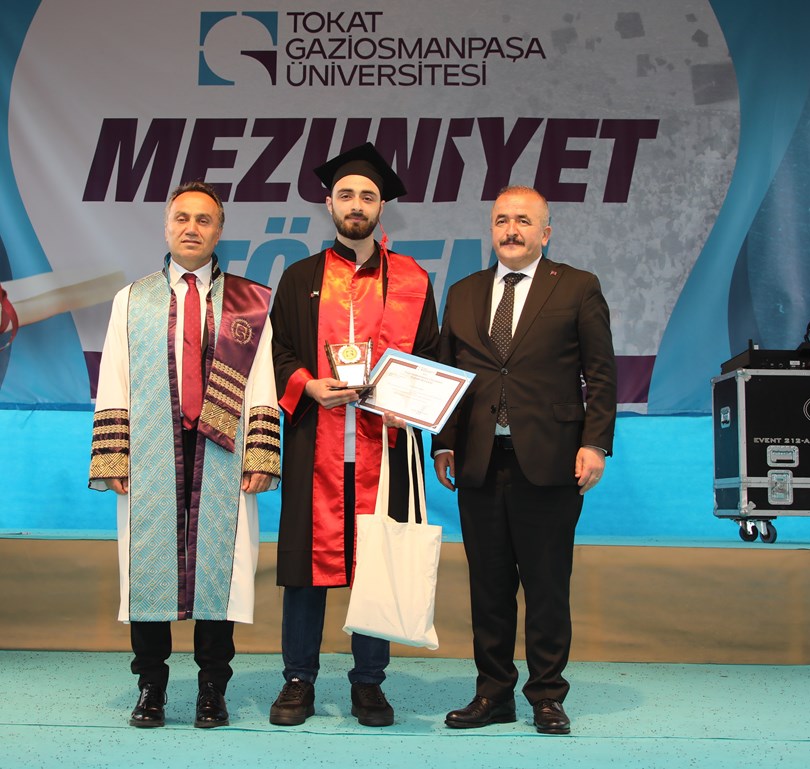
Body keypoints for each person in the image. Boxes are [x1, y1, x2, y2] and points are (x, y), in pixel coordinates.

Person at [88, 181, 280, 729]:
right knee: (147, 565)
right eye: (182, 218)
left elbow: (262, 378)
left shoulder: (249, 301)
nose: (191, 228)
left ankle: (212, 688)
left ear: (219, 231)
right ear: (167, 225)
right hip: (152, 450)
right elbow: (114, 378)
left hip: (224, 451)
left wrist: (262, 453)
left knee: (221, 569)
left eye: (203, 219)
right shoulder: (132, 299)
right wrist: (114, 455)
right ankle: (151, 687)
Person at [432, 186, 617, 736]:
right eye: (501, 220)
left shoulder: (578, 286)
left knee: (546, 584)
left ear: (546, 232)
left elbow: (601, 373)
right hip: (479, 461)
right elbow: (447, 373)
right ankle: (493, 694)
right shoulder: (464, 292)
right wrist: (443, 443)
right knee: (488, 586)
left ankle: (547, 695)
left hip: (553, 459)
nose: (511, 230)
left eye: (523, 221)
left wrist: (595, 442)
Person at [268, 142, 439, 728]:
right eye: (346, 195)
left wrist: (409, 403)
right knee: (304, 568)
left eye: (368, 195)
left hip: (385, 445)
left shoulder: (412, 280)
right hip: (315, 438)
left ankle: (369, 682)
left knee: (378, 560)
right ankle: (298, 679)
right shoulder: (300, 278)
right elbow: (278, 352)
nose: (356, 204)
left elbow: (431, 357)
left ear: (382, 206)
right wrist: (307, 385)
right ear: (329, 204)